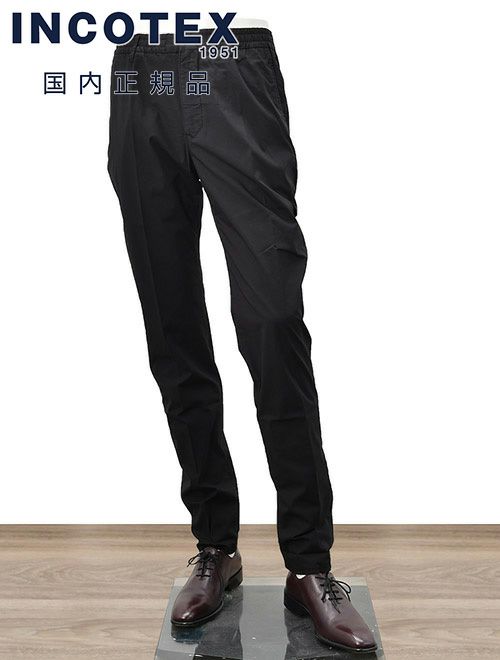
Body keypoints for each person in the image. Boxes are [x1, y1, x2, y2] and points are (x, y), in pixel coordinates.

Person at [108, 25, 376, 654]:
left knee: (272, 322)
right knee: (172, 325)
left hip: (233, 66)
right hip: (139, 75)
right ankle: (216, 547)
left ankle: (308, 565)